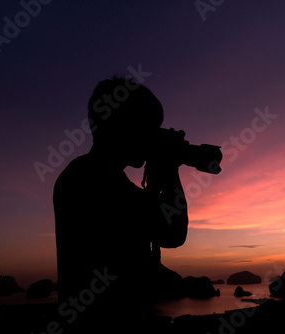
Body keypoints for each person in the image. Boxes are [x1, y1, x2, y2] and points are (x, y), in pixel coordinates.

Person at [53, 76, 188, 332]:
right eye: (149, 128)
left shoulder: (86, 174)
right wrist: (170, 171)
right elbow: (172, 232)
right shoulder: (93, 178)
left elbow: (144, 225)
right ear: (125, 126)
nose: (152, 139)